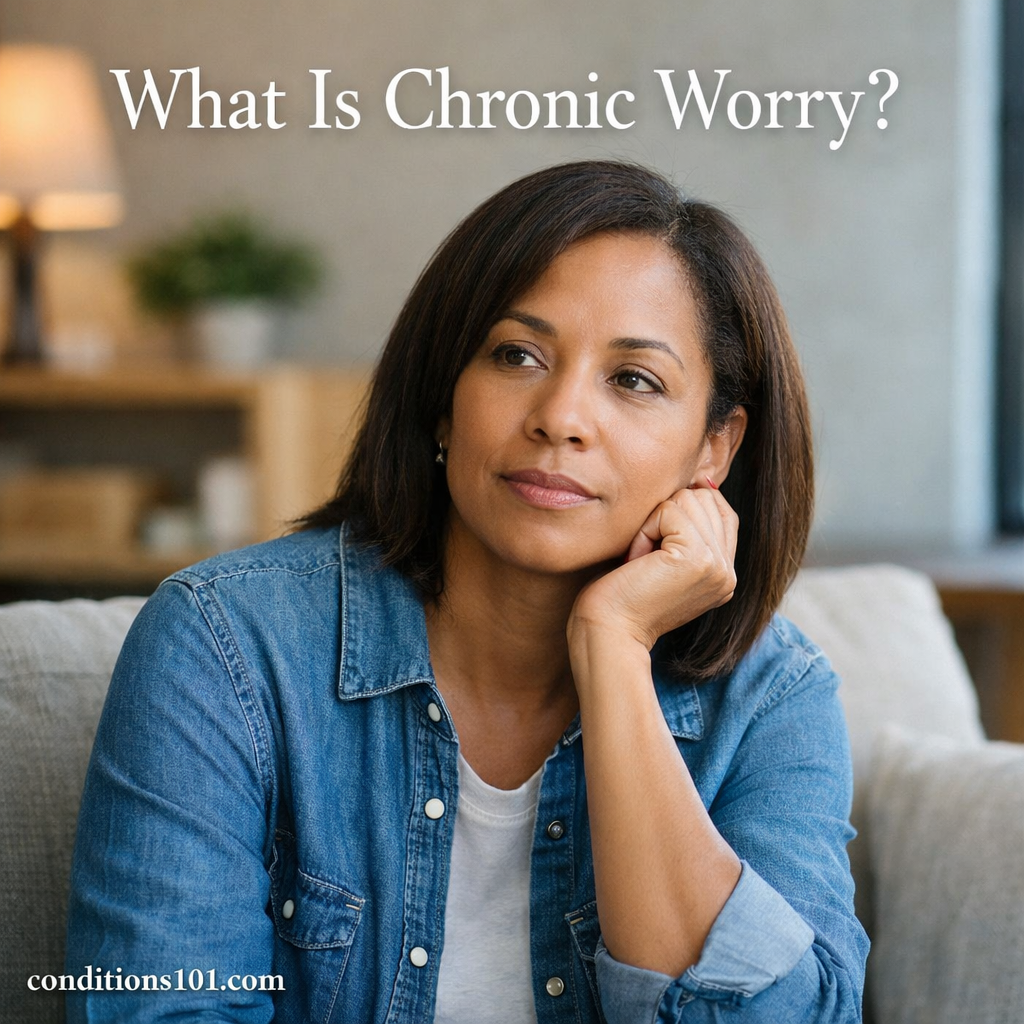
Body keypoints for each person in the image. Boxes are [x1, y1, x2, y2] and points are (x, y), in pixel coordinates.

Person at [66, 160, 869, 1023]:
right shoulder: (224, 646)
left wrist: (613, 649)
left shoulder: (771, 697)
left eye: (634, 379)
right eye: (516, 354)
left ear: (715, 446)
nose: (561, 416)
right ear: (445, 400)